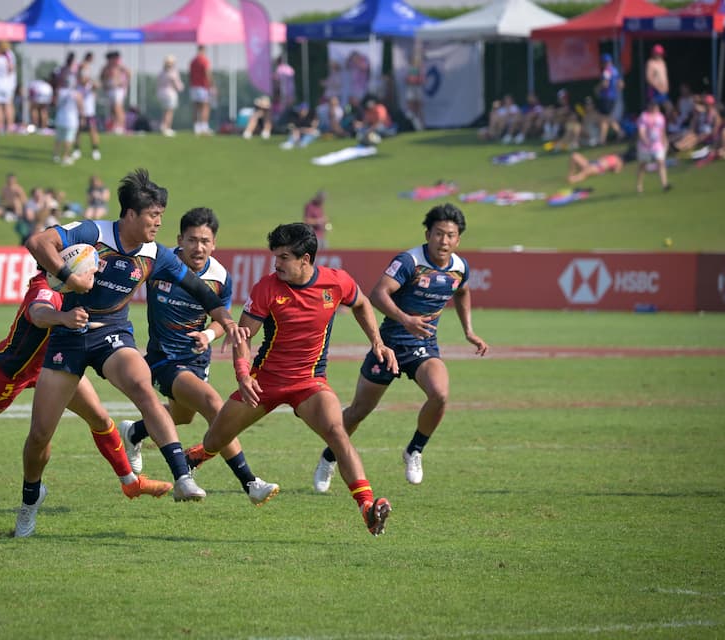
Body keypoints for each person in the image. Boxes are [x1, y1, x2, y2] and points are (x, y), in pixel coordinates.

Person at [17, 168, 246, 537]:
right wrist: (69, 276)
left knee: (143, 386)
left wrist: (224, 319)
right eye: (153, 215)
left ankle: (182, 476)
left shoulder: (156, 254)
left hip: (112, 332)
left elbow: (201, 290)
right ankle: (30, 499)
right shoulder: (93, 233)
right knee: (41, 434)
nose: (159, 222)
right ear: (130, 216)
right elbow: (37, 242)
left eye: (161, 215)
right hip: (68, 333)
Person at [0, 270, 174, 519]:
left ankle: (130, 483)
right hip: (11, 371)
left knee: (99, 418)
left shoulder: (81, 287)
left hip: (58, 366)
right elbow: (38, 314)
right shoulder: (44, 285)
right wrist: (63, 317)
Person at [185, 223, 397, 536]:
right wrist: (243, 374)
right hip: (264, 383)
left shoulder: (336, 282)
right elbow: (244, 335)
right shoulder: (266, 288)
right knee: (215, 441)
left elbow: (362, 303)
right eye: (275, 256)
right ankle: (197, 456)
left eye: (283, 257)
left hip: (310, 383)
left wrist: (377, 342)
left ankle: (366, 506)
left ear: (305, 259)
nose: (276, 264)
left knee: (337, 431)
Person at [312, 203, 488, 493]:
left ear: (458, 239)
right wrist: (406, 320)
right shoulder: (409, 261)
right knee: (358, 411)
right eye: (439, 234)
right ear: (428, 233)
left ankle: (414, 451)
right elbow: (377, 294)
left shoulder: (459, 267)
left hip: (424, 347)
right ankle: (329, 457)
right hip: (389, 346)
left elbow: (463, 290)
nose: (444, 241)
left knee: (440, 394)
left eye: (451, 235)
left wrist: (469, 331)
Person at [118, 207, 279, 506]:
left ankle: (134, 431)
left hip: (196, 359)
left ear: (214, 243)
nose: (199, 247)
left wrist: (208, 335)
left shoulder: (220, 277)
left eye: (205, 240)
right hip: (163, 359)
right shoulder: (160, 263)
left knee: (182, 415)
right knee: (213, 405)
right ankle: (251, 482)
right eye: (192, 240)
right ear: (180, 239)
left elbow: (221, 318)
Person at [636, 100, 670, 193]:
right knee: (643, 165)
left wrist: (664, 141)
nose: (655, 108)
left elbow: (662, 131)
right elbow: (641, 131)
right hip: (645, 145)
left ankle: (665, 184)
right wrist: (645, 140)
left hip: (657, 144)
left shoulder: (661, 117)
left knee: (661, 162)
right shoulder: (644, 117)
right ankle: (639, 185)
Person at [73, 52, 101, 160]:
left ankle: (95, 149)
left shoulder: (91, 83)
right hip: (79, 110)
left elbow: (97, 86)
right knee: (78, 130)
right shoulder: (78, 85)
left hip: (89, 111)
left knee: (92, 130)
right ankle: (76, 149)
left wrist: (91, 82)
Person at [53, 77, 83, 166]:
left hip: (60, 118)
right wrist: (82, 116)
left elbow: (55, 103)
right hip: (71, 120)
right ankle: (65, 157)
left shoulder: (60, 92)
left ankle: (56, 155)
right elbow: (81, 106)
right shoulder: (77, 94)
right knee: (69, 139)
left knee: (58, 138)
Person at [100, 51, 131, 136]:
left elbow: (129, 73)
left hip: (118, 89)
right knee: (112, 109)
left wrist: (124, 83)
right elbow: (102, 77)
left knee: (118, 108)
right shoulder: (107, 67)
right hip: (110, 89)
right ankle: (115, 126)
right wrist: (104, 85)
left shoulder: (120, 66)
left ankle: (121, 126)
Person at [597, 53, 624, 144]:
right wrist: (615, 91)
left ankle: (603, 139)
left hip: (606, 97)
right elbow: (621, 84)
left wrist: (598, 88)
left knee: (604, 118)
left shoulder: (607, 71)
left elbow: (605, 84)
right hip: (613, 97)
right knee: (606, 118)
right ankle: (604, 139)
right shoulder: (615, 70)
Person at [155, 54, 183, 137]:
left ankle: (163, 126)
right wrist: (180, 88)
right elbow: (177, 85)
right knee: (169, 111)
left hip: (161, 93)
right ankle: (167, 128)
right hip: (170, 93)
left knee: (165, 111)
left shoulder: (161, 72)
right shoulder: (172, 73)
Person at [189, 45, 214, 136]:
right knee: (205, 107)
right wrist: (212, 85)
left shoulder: (193, 61)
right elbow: (207, 73)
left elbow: (190, 74)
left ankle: (196, 127)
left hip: (194, 86)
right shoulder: (204, 60)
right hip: (203, 86)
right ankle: (204, 127)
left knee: (196, 107)